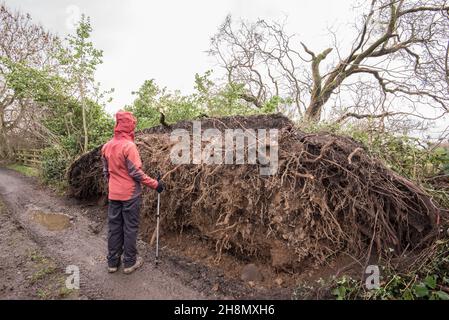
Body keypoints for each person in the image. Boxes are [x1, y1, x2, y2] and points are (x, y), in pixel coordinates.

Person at [101, 111, 164, 274]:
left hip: (113, 194)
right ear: (130, 126)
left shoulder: (106, 146)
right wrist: (155, 184)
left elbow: (106, 172)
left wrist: (114, 186)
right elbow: (136, 173)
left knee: (114, 227)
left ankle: (112, 262)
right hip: (130, 195)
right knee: (130, 228)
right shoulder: (129, 146)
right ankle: (129, 262)